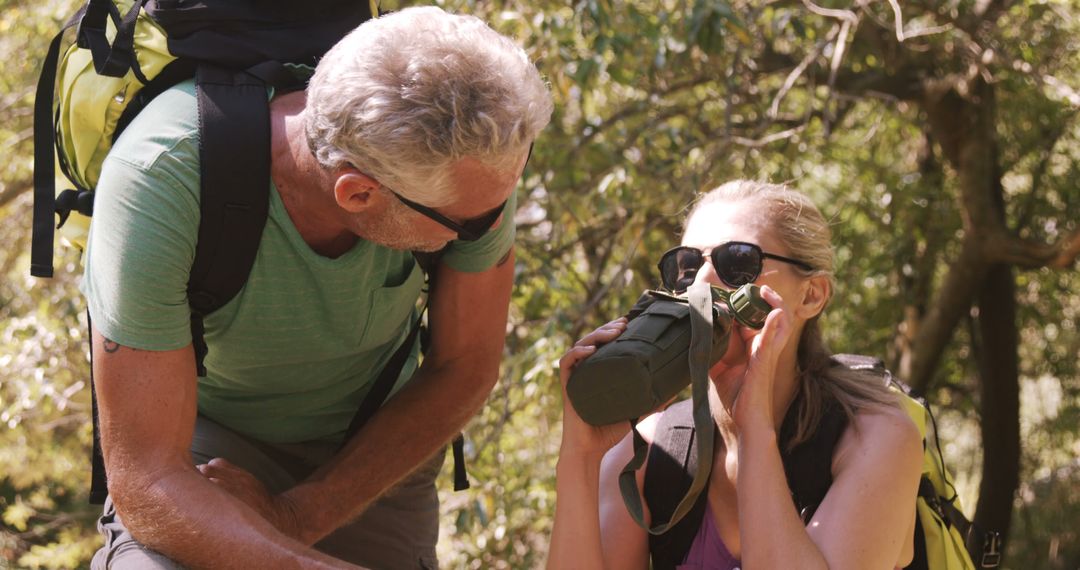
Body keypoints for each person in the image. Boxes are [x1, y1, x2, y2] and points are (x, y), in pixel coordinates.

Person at [83, 6, 552, 569]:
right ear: (358, 194)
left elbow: (465, 366)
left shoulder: (472, 173)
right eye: (472, 224)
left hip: (378, 438)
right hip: (202, 444)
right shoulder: (163, 178)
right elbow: (148, 475)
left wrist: (296, 518)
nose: (492, 224)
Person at [549, 180, 924, 569]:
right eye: (686, 268)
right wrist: (581, 457)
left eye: (737, 264)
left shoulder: (876, 436)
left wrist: (753, 429)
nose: (701, 284)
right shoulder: (647, 454)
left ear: (811, 295)